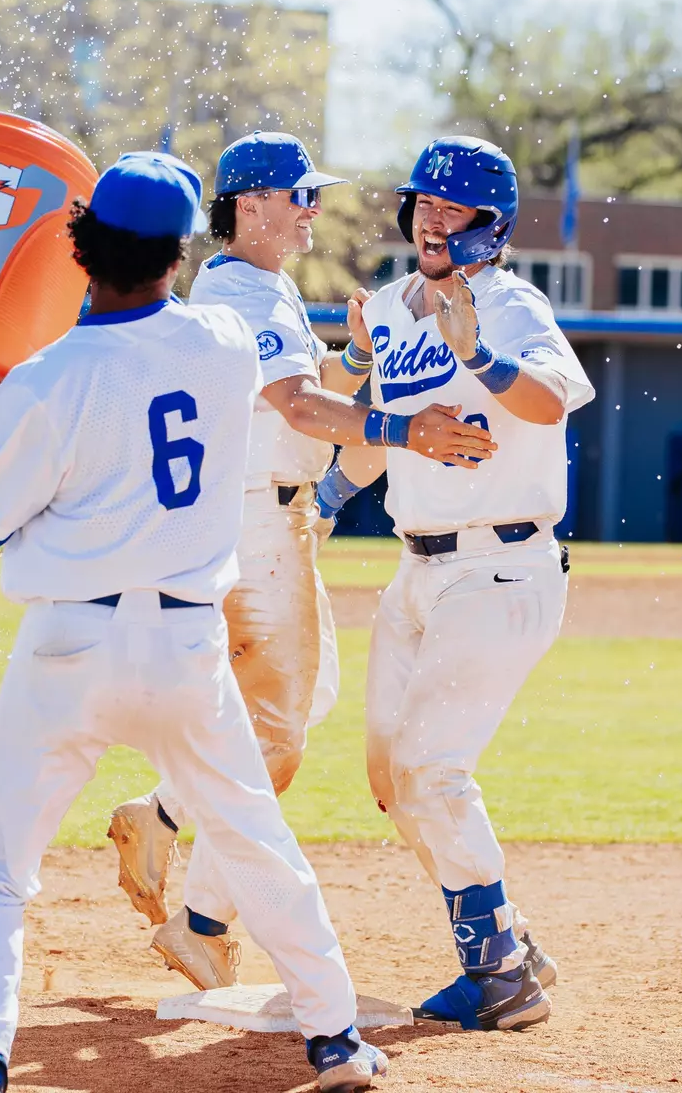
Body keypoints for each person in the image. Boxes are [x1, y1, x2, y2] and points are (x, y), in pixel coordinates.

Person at [0, 152, 389, 1093]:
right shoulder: (224, 340)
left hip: (70, 648)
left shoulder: (47, 378)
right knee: (256, 843)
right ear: (178, 254)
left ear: (82, 246)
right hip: (186, 647)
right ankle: (335, 1039)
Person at [108, 131, 494, 993]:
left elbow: (302, 386)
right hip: (255, 521)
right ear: (250, 204)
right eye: (299, 195)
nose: (314, 209)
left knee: (298, 707)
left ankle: (162, 817)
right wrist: (404, 429)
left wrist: (352, 360)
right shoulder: (242, 290)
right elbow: (297, 404)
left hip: (268, 516)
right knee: (276, 739)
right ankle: (199, 919)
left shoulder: (256, 283)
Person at [320, 137, 592, 1033]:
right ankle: (510, 942)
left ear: (492, 225)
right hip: (416, 567)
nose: (433, 221)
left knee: (432, 772)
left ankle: (500, 977)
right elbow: (364, 422)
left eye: (454, 208)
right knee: (393, 782)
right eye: (424, 205)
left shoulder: (511, 305)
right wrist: (325, 495)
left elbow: (550, 400)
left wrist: (481, 357)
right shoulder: (391, 305)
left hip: (500, 566)